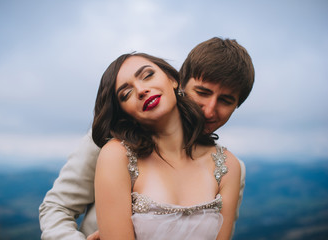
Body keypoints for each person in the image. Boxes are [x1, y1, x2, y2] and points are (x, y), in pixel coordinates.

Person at [39, 37, 254, 240]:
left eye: (225, 101)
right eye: (202, 93)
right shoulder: (109, 144)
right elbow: (57, 207)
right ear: (179, 81)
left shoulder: (229, 167)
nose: (209, 111)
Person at [93, 52, 241, 239]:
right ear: (124, 112)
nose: (141, 90)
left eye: (147, 75)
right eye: (126, 93)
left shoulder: (227, 165)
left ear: (172, 79)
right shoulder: (116, 156)